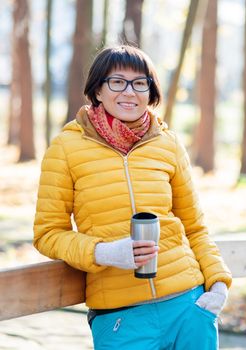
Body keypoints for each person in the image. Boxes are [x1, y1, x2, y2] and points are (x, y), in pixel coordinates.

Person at [33, 45, 232, 350]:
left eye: (140, 83)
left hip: (190, 306)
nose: (129, 91)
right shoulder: (65, 148)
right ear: (97, 90)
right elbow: (47, 234)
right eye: (117, 81)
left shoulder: (168, 143)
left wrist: (217, 285)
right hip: (121, 317)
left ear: (150, 92)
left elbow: (194, 226)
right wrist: (105, 253)